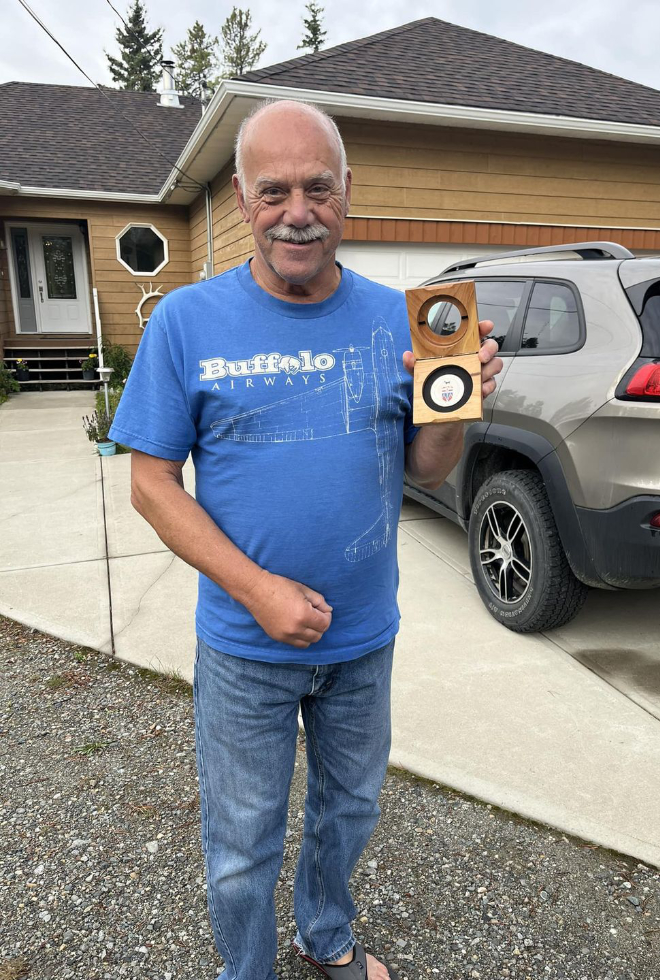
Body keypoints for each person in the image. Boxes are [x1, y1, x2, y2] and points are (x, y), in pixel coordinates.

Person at [110, 99, 502, 980]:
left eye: (318, 189)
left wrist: (458, 404)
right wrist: (258, 589)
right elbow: (149, 483)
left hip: (364, 639)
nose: (299, 212)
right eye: (276, 191)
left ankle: (325, 938)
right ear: (244, 200)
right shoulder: (186, 323)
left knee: (348, 812)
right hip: (246, 647)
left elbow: (430, 471)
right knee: (244, 840)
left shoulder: (401, 318)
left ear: (347, 194)